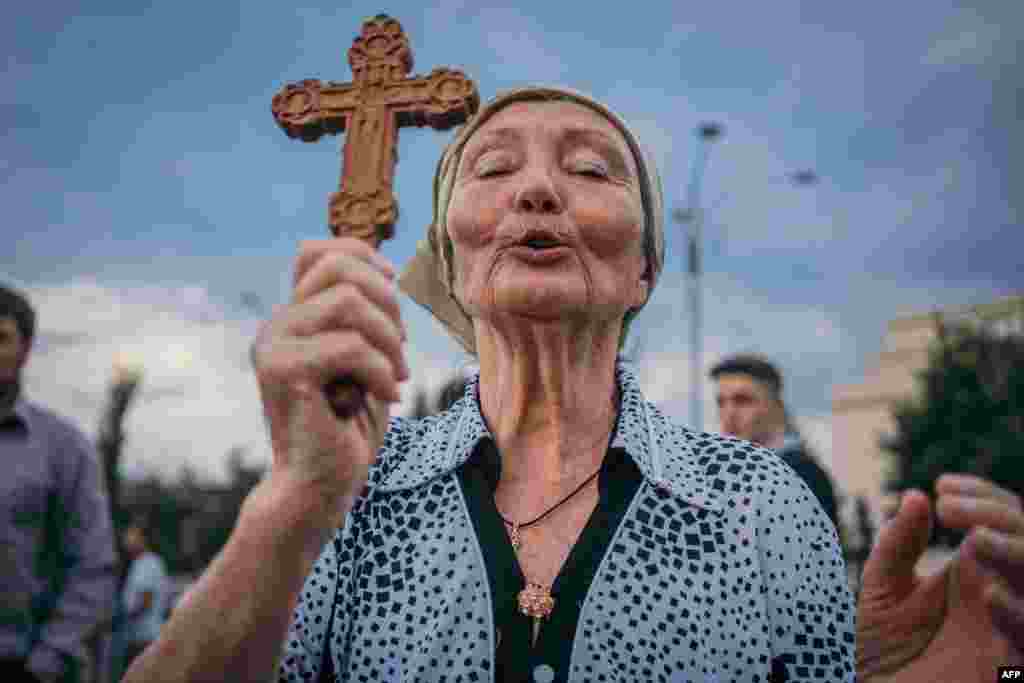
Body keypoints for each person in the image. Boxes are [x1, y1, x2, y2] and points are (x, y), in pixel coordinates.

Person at [121, 88, 1023, 683]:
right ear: (453, 261)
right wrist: (289, 506)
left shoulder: (762, 504)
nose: (541, 189)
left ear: (643, 270)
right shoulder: (346, 498)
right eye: (494, 167)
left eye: (592, 169)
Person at [0, 284, 118, 683]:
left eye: (0, 338)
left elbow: (93, 566)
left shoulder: (63, 448)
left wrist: (43, 666)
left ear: (26, 349)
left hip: (23, 666)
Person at [710, 354, 839, 526]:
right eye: (721, 402)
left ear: (776, 407)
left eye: (742, 401)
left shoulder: (800, 474)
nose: (729, 413)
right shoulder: (734, 475)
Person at [118, 522, 168, 672]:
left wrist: (118, 618)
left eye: (132, 535)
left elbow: (146, 602)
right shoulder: (137, 563)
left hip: (145, 639)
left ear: (143, 539)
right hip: (136, 638)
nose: (126, 539)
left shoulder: (149, 564)